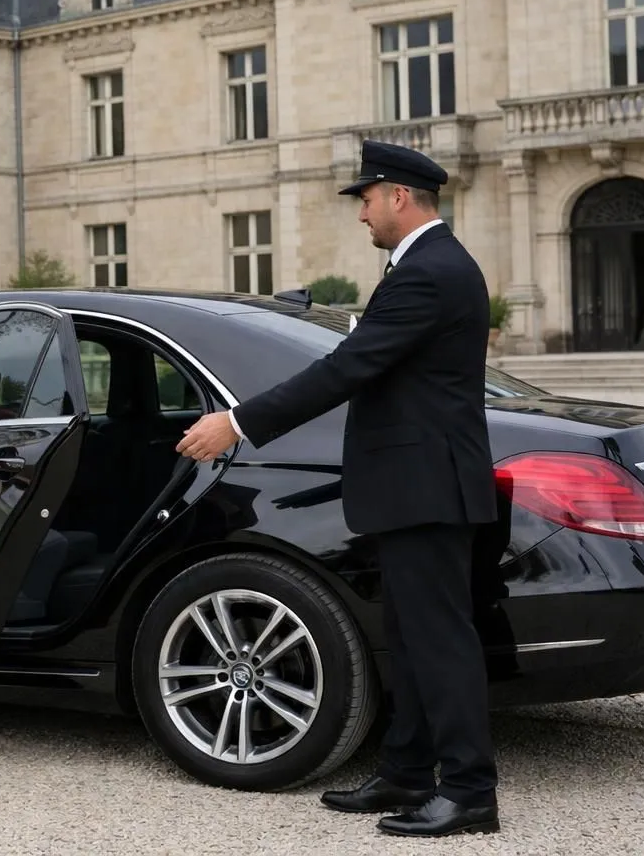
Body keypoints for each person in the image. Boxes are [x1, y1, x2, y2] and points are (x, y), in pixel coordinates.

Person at [177, 140, 500, 839]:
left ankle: (471, 792)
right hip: (411, 484)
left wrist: (237, 421)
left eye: (367, 199)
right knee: (410, 639)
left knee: (440, 641)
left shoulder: (431, 272)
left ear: (399, 197)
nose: (363, 215)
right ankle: (409, 774)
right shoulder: (423, 267)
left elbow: (349, 367)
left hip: (426, 485)